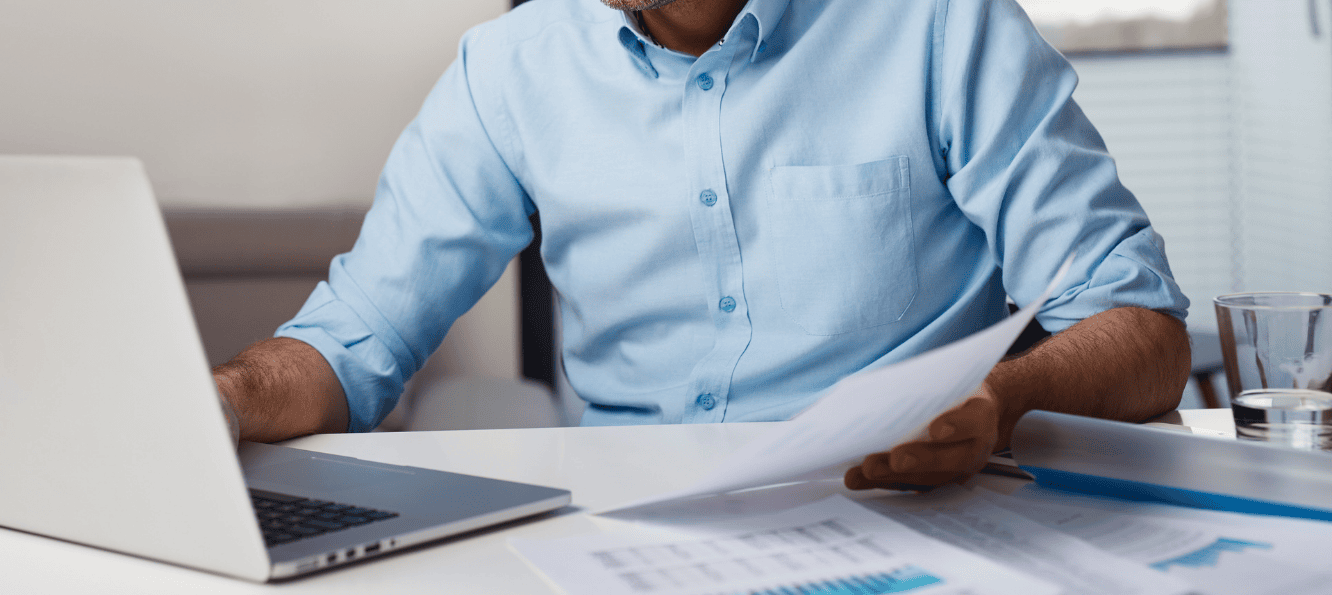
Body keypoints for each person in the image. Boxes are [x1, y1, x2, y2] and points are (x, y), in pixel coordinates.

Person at [211, 0, 1191, 491]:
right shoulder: (509, 67)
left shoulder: (934, 22)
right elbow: (353, 339)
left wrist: (1002, 398)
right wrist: (224, 399)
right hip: (623, 535)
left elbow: (1142, 335)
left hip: (903, 514)